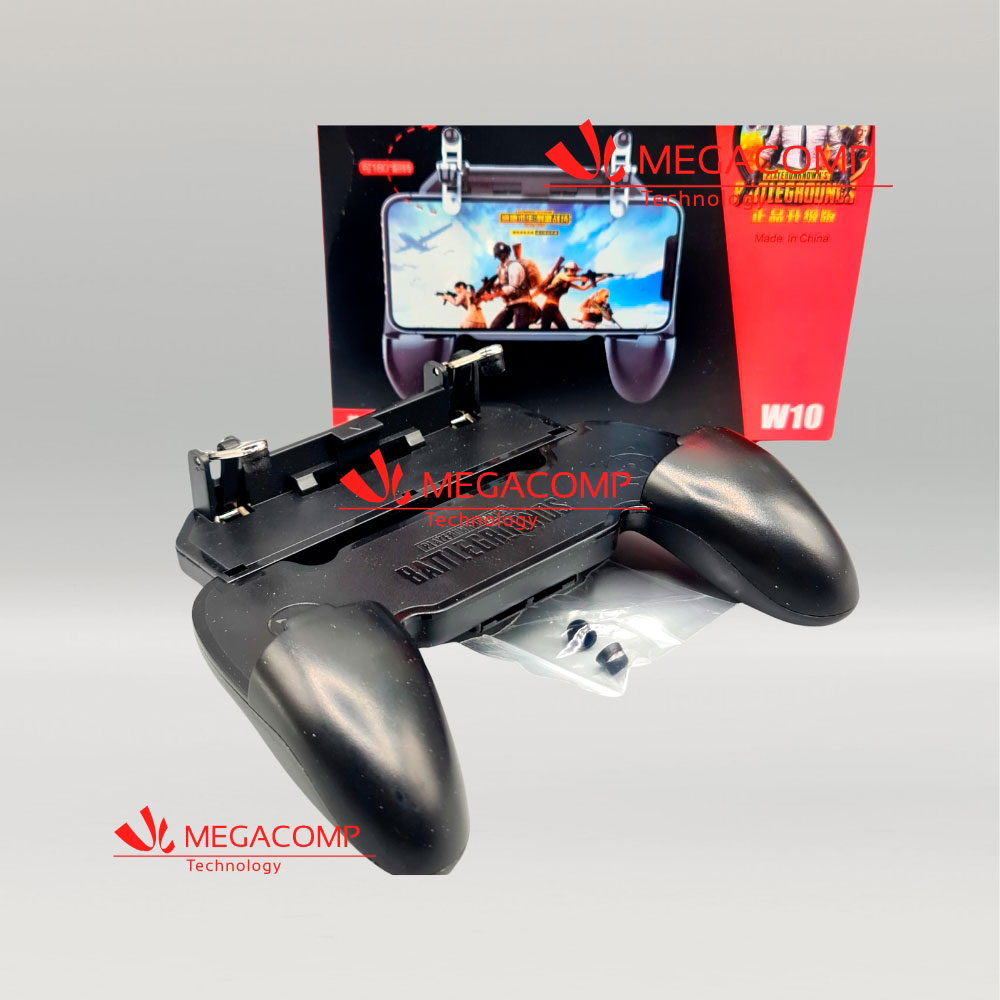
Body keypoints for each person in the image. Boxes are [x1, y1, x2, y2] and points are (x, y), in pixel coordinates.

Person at [536, 261, 595, 330]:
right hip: (548, 308)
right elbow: (568, 278)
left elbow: (582, 288)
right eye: (575, 271)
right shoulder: (561, 275)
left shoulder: (568, 283)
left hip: (555, 309)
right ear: (570, 270)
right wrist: (580, 278)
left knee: (565, 329)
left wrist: (597, 280)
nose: (576, 273)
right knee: (545, 330)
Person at [488, 242, 534, 330]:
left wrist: (492, 295)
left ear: (507, 253)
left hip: (521, 303)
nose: (501, 256)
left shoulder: (514, 266)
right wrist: (493, 286)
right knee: (495, 327)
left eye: (502, 253)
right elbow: (501, 283)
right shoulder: (500, 268)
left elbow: (512, 287)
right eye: (499, 255)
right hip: (510, 304)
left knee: (520, 332)